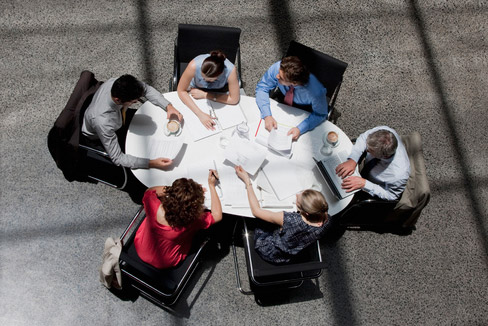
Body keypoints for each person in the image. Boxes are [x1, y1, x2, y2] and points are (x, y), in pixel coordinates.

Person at [82, 74, 183, 169]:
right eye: (134, 102)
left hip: (119, 117)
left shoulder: (117, 83)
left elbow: (146, 89)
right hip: (100, 136)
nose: (136, 102)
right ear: (118, 100)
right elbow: (118, 158)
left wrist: (168, 106)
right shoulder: (103, 122)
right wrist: (151, 163)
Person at [234, 165, 330, 264]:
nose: (297, 194)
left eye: (298, 200)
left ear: (306, 213)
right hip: (293, 250)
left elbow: (256, 211)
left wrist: (247, 182)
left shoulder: (290, 219)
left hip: (269, 250)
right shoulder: (326, 218)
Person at [134, 171, 222, 269]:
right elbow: (217, 216)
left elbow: (150, 190)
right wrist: (211, 186)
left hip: (141, 249)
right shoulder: (192, 221)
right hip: (167, 261)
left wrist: (177, 192)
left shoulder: (152, 204)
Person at [255, 56, 328, 141]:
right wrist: (267, 115)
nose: (277, 76)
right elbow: (262, 88)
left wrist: (300, 129)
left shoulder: (316, 92)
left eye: (281, 78)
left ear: (294, 83)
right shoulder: (278, 68)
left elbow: (320, 114)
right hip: (282, 97)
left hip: (304, 109)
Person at [335, 126, 410, 201]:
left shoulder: (398, 176)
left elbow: (391, 195)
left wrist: (365, 184)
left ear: (384, 156)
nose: (366, 150)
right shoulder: (385, 131)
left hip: (371, 184)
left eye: (370, 150)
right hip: (364, 169)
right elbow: (364, 138)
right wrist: (353, 160)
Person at [177, 50, 240, 130]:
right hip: (195, 89)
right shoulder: (194, 65)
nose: (204, 80)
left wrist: (205, 95)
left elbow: (234, 99)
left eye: (209, 80)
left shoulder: (231, 70)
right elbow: (181, 90)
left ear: (220, 74)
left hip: (218, 91)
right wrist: (200, 114)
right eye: (202, 77)